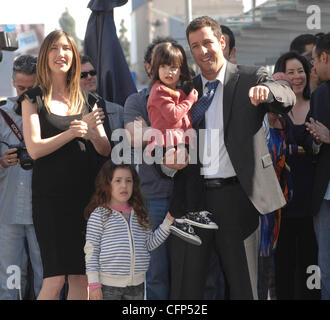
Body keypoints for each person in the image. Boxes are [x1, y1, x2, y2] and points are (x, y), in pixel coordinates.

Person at [164, 16, 296, 300]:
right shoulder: (185, 92)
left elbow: (286, 95)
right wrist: (168, 160)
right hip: (194, 199)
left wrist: (269, 91)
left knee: (244, 287)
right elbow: (168, 142)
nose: (202, 51)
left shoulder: (250, 77)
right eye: (195, 46)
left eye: (208, 43)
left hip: (238, 199)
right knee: (187, 289)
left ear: (222, 42)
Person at [21, 30, 111, 300]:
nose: (60, 54)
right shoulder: (32, 99)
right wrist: (72, 132)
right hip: (50, 201)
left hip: (86, 198)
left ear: (73, 54)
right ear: (44, 55)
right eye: (53, 48)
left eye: (66, 48)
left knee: (81, 278)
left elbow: (105, 148)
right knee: (54, 278)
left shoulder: (89, 100)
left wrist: (93, 132)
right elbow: (34, 149)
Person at [147, 41, 218, 245]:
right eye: (164, 66)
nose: (169, 72)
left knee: (189, 177)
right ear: (155, 68)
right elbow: (173, 116)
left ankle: (181, 215)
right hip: (165, 146)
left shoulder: (175, 91)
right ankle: (187, 213)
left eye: (174, 67)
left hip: (178, 143)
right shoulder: (159, 91)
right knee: (190, 174)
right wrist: (191, 100)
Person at [123, 36, 176, 300]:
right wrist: (175, 133)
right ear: (148, 66)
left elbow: (146, 135)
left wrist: (152, 132)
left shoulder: (188, 98)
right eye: (160, 62)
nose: (167, 68)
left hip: (187, 195)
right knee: (155, 273)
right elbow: (134, 137)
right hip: (152, 197)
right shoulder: (136, 100)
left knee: (190, 269)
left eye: (172, 62)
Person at [84, 162, 174, 300]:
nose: (124, 185)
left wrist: (167, 223)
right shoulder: (99, 215)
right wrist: (94, 284)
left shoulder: (140, 214)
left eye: (128, 181)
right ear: (107, 184)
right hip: (108, 287)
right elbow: (92, 250)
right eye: (118, 181)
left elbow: (149, 244)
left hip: (137, 286)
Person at [272, 51, 320, 300]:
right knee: (283, 266)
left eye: (300, 70)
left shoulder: (319, 104)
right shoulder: (274, 112)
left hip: (314, 199)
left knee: (312, 264)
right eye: (290, 72)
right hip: (281, 201)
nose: (296, 77)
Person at [0, 55, 43, 300]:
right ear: (13, 83)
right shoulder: (2, 115)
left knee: (46, 274)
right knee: (11, 277)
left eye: (31, 88)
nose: (25, 93)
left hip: (43, 209)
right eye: (20, 88)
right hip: (8, 210)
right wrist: (2, 160)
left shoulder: (51, 113)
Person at [304, 33, 330, 299]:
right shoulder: (320, 94)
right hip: (324, 195)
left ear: (324, 57)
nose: (313, 68)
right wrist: (316, 141)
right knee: (326, 264)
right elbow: (315, 142)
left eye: (315, 60)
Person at [80, 54, 124, 170]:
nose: (89, 77)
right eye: (82, 75)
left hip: (112, 181)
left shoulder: (117, 111)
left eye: (92, 72)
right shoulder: (66, 113)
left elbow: (129, 152)